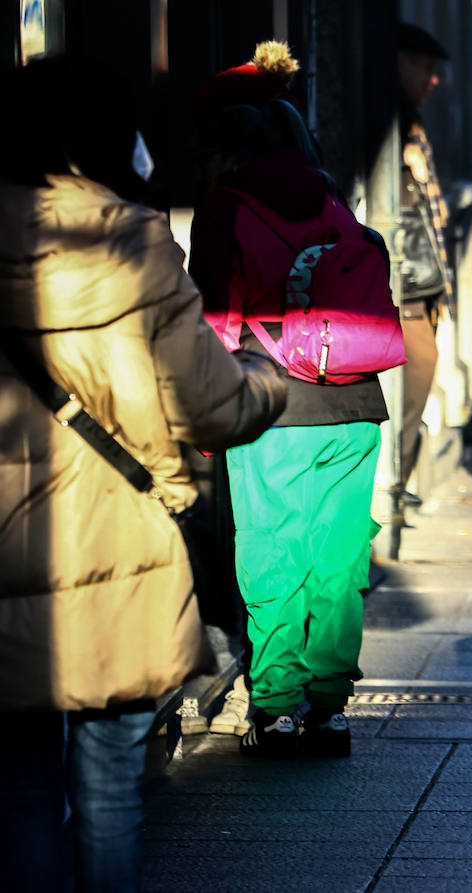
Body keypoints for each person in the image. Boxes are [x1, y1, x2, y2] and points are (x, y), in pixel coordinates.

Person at [0, 56, 286, 891]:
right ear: (100, 135)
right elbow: (212, 403)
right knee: (108, 790)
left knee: (19, 786)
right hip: (115, 542)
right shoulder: (131, 238)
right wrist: (265, 382)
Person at [189, 42, 388, 759]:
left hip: (273, 408)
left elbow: (215, 325)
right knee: (338, 559)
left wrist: (207, 415)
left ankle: (273, 706)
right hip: (357, 403)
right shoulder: (332, 197)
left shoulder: (224, 211)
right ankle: (330, 709)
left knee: (275, 552)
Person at [395, 23, 455, 498]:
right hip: (406, 283)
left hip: (423, 281)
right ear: (403, 64)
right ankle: (395, 479)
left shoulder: (410, 118)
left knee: (422, 371)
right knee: (419, 369)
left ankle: (401, 476)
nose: (433, 81)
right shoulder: (390, 124)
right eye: (426, 69)